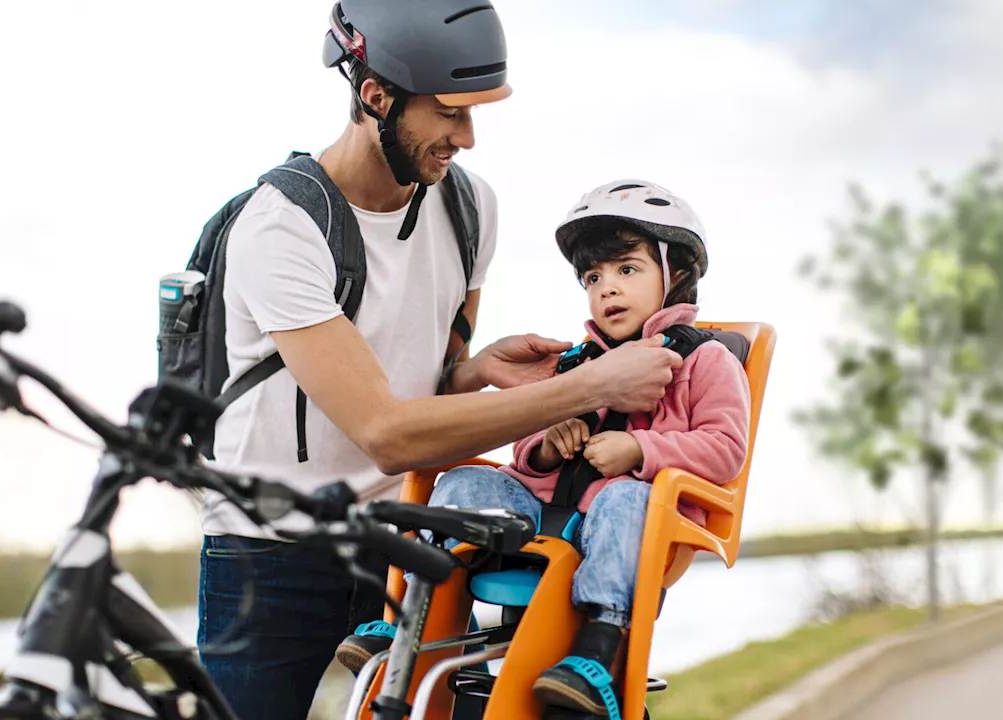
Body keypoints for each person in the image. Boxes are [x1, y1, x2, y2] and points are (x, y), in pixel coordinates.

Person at [196, 2, 685, 717]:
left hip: (410, 534)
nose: (468, 136)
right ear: (375, 96)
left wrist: (477, 371)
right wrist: (586, 388)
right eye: (450, 111)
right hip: (272, 554)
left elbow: (425, 390)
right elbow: (387, 430)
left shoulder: (467, 208)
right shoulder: (281, 228)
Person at [335, 179, 751, 717]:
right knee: (460, 483)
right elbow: (526, 449)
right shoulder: (577, 363)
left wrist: (639, 450)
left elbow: (724, 449)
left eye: (627, 270)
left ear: (677, 275)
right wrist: (547, 450)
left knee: (626, 498)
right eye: (593, 277)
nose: (606, 288)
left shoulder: (706, 360)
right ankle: (406, 621)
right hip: (536, 515)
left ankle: (597, 652)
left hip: (632, 529)